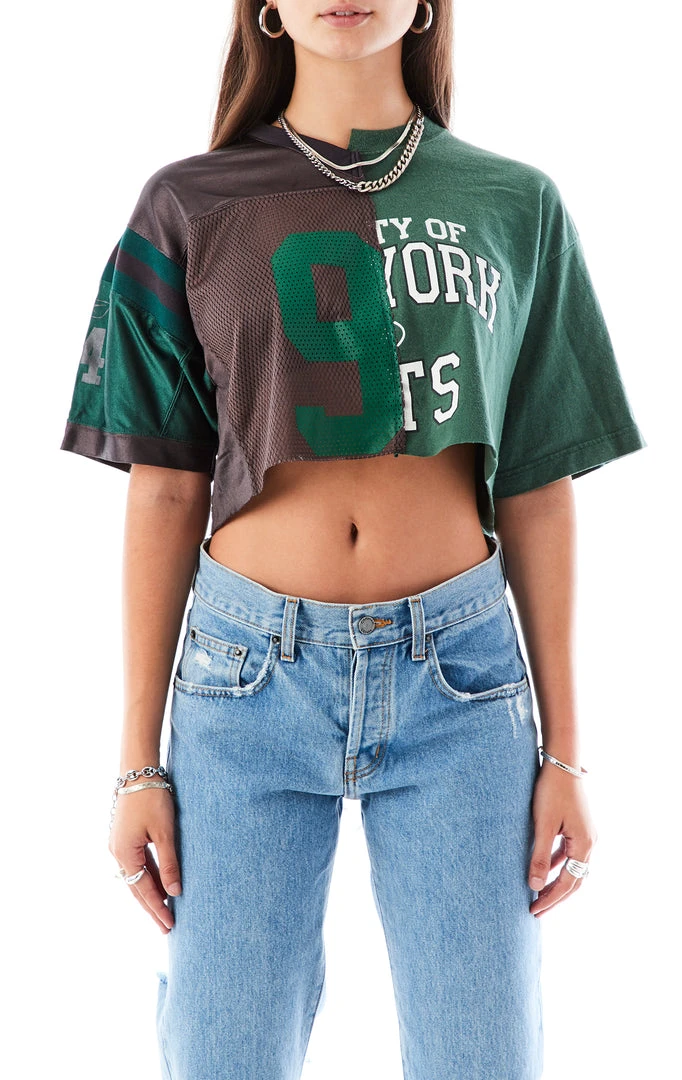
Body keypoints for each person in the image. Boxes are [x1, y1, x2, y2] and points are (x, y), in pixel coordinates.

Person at [60, 2, 646, 1077]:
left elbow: (538, 484)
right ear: (267, 9)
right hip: (244, 681)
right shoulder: (187, 204)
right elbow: (165, 489)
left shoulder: (515, 204)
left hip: (460, 683)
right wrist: (137, 764)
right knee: (225, 1054)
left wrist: (565, 752)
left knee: (483, 1056)